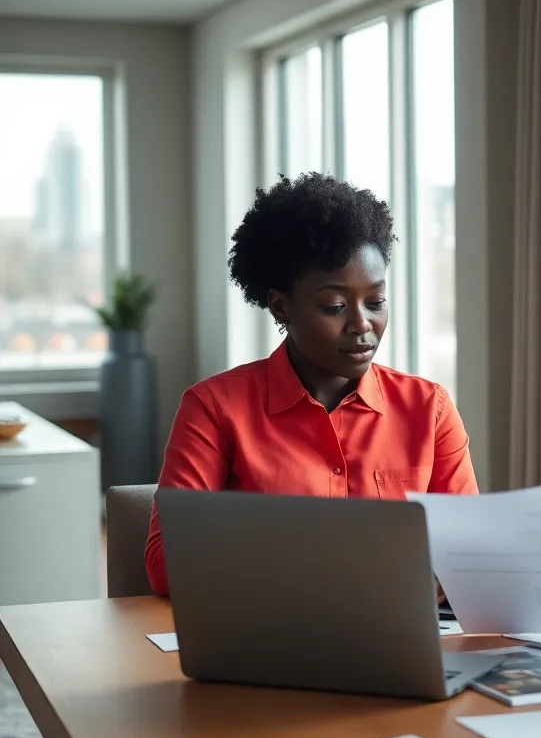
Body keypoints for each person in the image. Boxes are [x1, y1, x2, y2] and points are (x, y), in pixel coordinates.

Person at [145, 173, 476, 596]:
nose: (362, 325)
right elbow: (166, 564)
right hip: (268, 645)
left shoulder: (430, 409)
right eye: (335, 306)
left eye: (375, 302)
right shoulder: (213, 409)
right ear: (282, 307)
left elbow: (468, 555)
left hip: (402, 646)